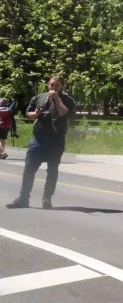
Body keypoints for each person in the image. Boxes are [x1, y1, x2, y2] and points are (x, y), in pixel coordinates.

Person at [7, 76, 76, 210]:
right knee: (28, 169)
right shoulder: (39, 97)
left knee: (52, 171)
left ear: (62, 86)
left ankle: (46, 199)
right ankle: (23, 198)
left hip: (56, 141)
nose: (53, 88)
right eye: (51, 85)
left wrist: (57, 99)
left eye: (57, 85)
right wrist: (35, 114)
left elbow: (63, 113)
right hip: (38, 139)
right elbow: (28, 113)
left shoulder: (67, 99)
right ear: (47, 85)